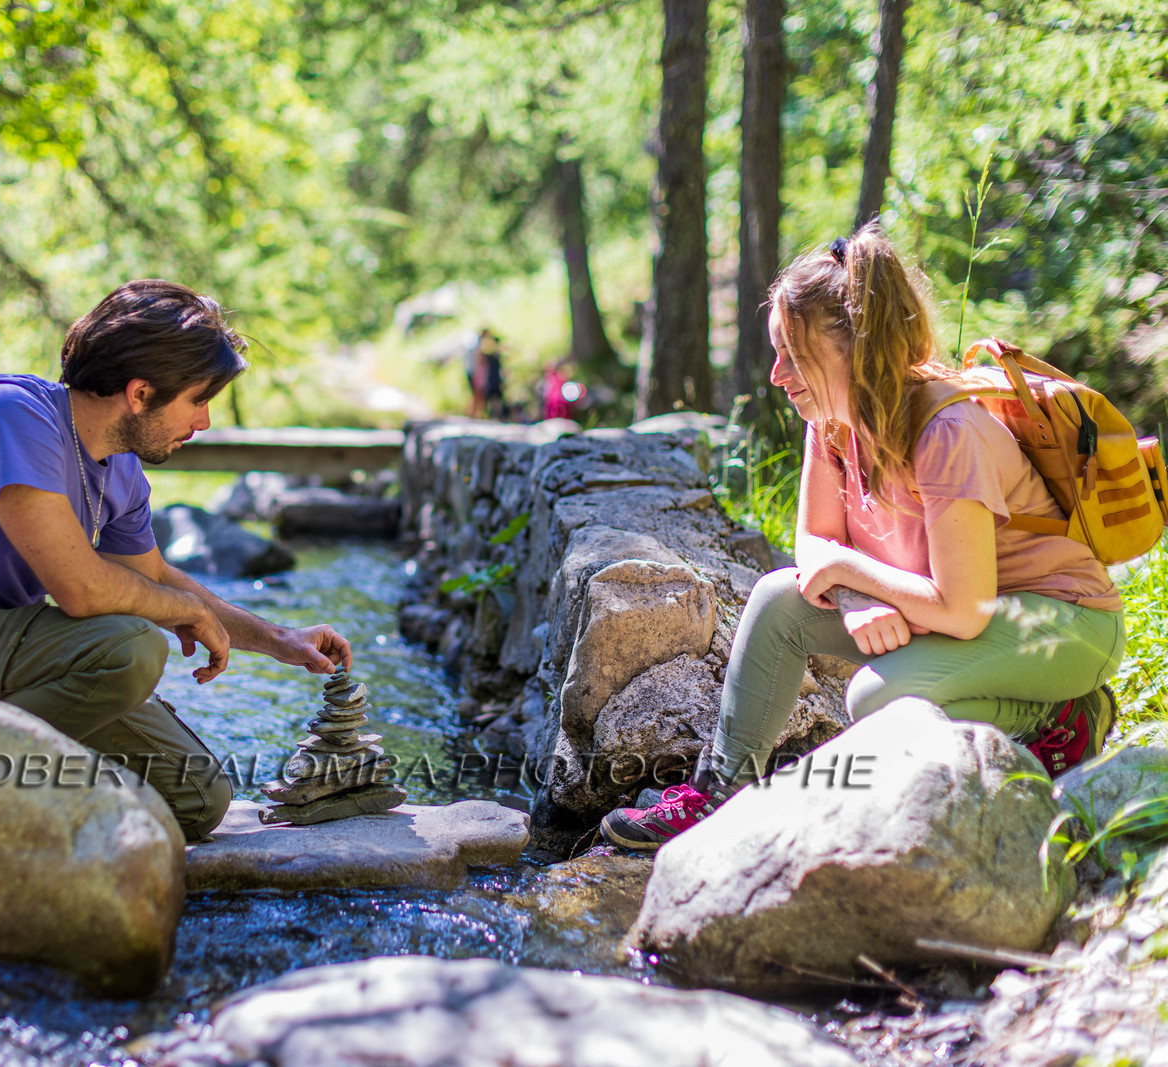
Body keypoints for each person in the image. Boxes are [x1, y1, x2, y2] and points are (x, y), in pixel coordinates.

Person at [599, 225, 1127, 850]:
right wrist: (860, 599)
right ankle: (721, 793)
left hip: (1060, 625)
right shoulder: (831, 423)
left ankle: (1061, 718)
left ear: (856, 348)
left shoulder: (947, 432)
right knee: (776, 603)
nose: (775, 375)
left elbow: (964, 608)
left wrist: (859, 578)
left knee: (878, 698)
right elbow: (815, 549)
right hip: (959, 613)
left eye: (793, 356)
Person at [0, 279, 352, 841]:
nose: (205, 422)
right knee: (132, 646)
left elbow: (153, 577)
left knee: (200, 799)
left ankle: (33, 796)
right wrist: (176, 611)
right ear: (140, 393)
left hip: (15, 661)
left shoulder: (121, 471)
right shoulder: (12, 413)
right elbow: (80, 589)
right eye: (198, 400)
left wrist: (280, 640)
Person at [466, 329, 506, 419]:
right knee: (477, 394)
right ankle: (473, 414)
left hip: (479, 373)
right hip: (477, 374)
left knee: (479, 395)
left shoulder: (478, 348)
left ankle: (476, 414)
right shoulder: (476, 348)